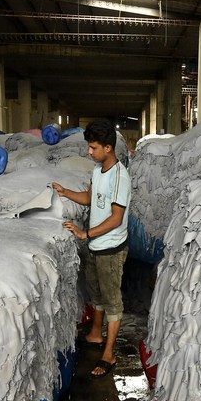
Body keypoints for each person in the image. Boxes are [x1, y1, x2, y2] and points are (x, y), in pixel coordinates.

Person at [52, 118, 131, 378]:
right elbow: (90, 198)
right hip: (96, 245)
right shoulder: (98, 171)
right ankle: (96, 333)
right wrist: (65, 193)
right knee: (96, 293)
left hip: (111, 247)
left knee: (112, 301)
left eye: (94, 147)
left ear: (108, 148)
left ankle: (109, 353)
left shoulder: (121, 177)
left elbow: (116, 218)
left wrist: (86, 233)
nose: (89, 151)